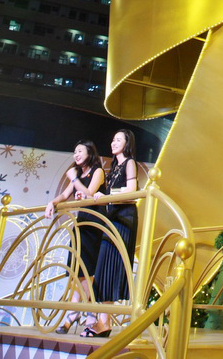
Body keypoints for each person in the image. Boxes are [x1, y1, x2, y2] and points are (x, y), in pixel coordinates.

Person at [45, 140, 106, 334]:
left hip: (94, 226)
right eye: (74, 152)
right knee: (76, 270)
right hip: (80, 225)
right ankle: (79, 312)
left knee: (87, 272)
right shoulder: (78, 174)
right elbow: (64, 195)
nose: (76, 155)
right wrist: (51, 203)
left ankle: (82, 313)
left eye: (80, 151)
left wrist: (73, 179)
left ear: (90, 152)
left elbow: (88, 193)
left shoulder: (98, 171)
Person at [84, 129, 138, 338]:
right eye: (113, 139)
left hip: (124, 218)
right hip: (112, 217)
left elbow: (132, 188)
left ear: (127, 143)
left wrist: (106, 196)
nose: (113, 142)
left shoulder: (130, 163)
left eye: (118, 140)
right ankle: (103, 322)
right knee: (104, 268)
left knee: (112, 267)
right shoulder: (113, 167)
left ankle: (103, 322)